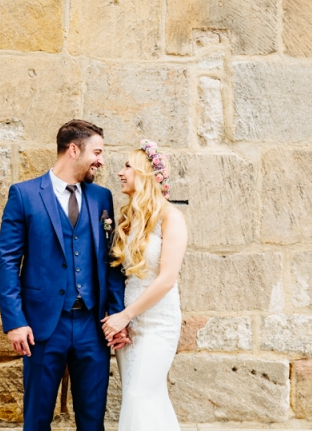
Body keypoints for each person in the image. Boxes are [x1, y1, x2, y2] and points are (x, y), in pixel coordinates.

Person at [0, 119, 129, 431]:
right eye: (96, 152)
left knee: (92, 421)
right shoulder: (24, 195)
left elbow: (111, 261)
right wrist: (15, 321)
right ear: (73, 149)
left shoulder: (101, 198)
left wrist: (117, 312)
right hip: (43, 328)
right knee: (38, 418)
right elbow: (7, 261)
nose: (101, 160)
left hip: (92, 327)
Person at [101, 140, 188, 431]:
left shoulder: (171, 218)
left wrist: (123, 316)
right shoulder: (128, 219)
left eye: (128, 166)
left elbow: (166, 279)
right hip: (129, 326)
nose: (120, 172)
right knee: (145, 399)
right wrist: (123, 319)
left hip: (158, 322)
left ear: (145, 173)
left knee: (140, 396)